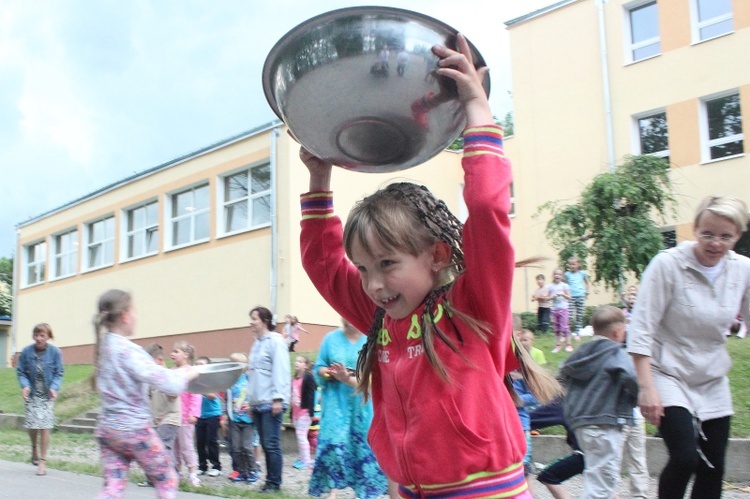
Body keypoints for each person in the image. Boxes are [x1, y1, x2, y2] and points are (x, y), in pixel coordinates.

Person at [299, 34, 560, 498]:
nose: (374, 284)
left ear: (437, 255)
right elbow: (323, 263)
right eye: (363, 268)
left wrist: (477, 109)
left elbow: (485, 207)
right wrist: (319, 179)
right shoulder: (381, 319)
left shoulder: (474, 309)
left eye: (387, 263)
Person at [628, 195, 750, 499]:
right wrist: (646, 388)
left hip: (710, 376)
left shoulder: (743, 270)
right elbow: (641, 328)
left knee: (714, 467)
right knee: (685, 458)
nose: (715, 244)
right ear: (695, 229)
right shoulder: (667, 265)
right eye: (707, 234)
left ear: (738, 235)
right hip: (666, 372)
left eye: (726, 236)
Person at [92, 289, 197, 498]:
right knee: (166, 478)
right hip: (135, 432)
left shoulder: (103, 347)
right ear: (125, 316)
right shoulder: (128, 350)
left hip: (108, 431)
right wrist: (189, 373)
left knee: (113, 487)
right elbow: (169, 384)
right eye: (135, 310)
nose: (137, 316)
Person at [559, 305, 638, 499]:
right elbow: (632, 378)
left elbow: (561, 376)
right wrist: (637, 397)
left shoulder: (580, 353)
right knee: (604, 483)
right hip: (606, 422)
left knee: (596, 475)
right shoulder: (616, 353)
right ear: (617, 332)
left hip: (581, 423)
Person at [308, 320, 387, 499]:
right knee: (333, 444)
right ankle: (332, 489)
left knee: (364, 448)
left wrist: (347, 378)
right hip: (336, 406)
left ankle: (364, 492)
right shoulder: (330, 339)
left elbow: (377, 377)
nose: (348, 320)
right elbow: (318, 366)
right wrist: (327, 373)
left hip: (363, 407)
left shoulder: (372, 340)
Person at [247, 305, 290, 494]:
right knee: (264, 444)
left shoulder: (276, 341)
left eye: (254, 318)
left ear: (264, 321)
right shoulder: (256, 344)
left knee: (272, 444)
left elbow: (281, 370)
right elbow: (253, 375)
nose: (251, 322)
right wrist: (250, 401)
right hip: (257, 402)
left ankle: (274, 483)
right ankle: (269, 481)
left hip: (271, 401)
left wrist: (278, 399)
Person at [16, 322, 64, 476]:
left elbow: (59, 372)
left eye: (42, 335)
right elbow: (21, 371)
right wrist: (25, 386)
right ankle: (34, 448)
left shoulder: (55, 352)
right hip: (31, 394)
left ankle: (42, 461)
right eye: (36, 335)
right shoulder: (26, 352)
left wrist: (54, 388)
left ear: (48, 336)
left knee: (45, 425)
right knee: (32, 425)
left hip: (47, 395)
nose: (39, 338)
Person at [139, 344, 181, 488]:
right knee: (152, 447)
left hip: (170, 418)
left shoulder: (168, 375)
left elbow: (174, 394)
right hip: (157, 419)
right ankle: (155, 478)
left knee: (162, 446)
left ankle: (169, 477)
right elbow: (149, 398)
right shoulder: (152, 378)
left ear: (159, 360)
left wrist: (164, 384)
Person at [170, 341, 201, 487]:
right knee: (173, 446)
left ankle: (193, 474)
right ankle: (177, 472)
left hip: (185, 418)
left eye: (176, 351)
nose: (172, 354)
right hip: (172, 416)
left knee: (186, 446)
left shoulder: (191, 372)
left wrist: (194, 413)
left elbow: (196, 394)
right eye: (172, 351)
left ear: (186, 355)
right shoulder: (171, 371)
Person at [226, 352, 260, 483]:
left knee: (247, 447)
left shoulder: (249, 380)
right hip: (234, 419)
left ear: (245, 366)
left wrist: (251, 405)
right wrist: (225, 415)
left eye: (240, 365)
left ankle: (253, 470)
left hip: (248, 420)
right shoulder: (229, 382)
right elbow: (226, 400)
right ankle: (241, 471)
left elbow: (256, 395)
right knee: (235, 447)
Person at [195, 356, 222, 477]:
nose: (198, 366)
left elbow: (212, 395)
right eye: (197, 364)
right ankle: (202, 466)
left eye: (201, 364)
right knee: (200, 441)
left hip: (212, 414)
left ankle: (216, 466)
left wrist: (199, 389)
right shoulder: (194, 379)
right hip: (199, 414)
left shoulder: (212, 379)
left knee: (211, 440)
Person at [291, 354, 317, 470]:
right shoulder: (295, 379)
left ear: (306, 366)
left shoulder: (308, 378)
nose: (297, 363)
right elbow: (293, 397)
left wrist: (311, 413)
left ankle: (306, 460)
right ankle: (303, 457)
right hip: (296, 412)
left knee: (301, 436)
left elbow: (311, 396)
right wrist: (291, 414)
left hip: (305, 412)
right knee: (300, 436)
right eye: (296, 361)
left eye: (300, 361)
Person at [565, 256, 590, 341]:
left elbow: (587, 282)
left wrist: (588, 290)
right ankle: (566, 332)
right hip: (571, 297)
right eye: (570, 264)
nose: (572, 266)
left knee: (579, 315)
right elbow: (564, 285)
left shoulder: (582, 273)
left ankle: (577, 333)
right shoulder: (567, 274)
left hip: (581, 295)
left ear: (578, 264)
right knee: (569, 316)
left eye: (574, 264)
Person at [548, 268, 572, 353]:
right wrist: (552, 297)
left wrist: (563, 294)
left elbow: (569, 297)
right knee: (557, 329)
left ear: (562, 276)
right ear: (553, 276)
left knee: (565, 328)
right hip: (554, 310)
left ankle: (568, 345)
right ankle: (558, 346)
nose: (557, 276)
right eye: (555, 274)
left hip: (563, 309)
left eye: (559, 274)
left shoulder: (564, 286)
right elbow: (547, 298)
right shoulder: (550, 286)